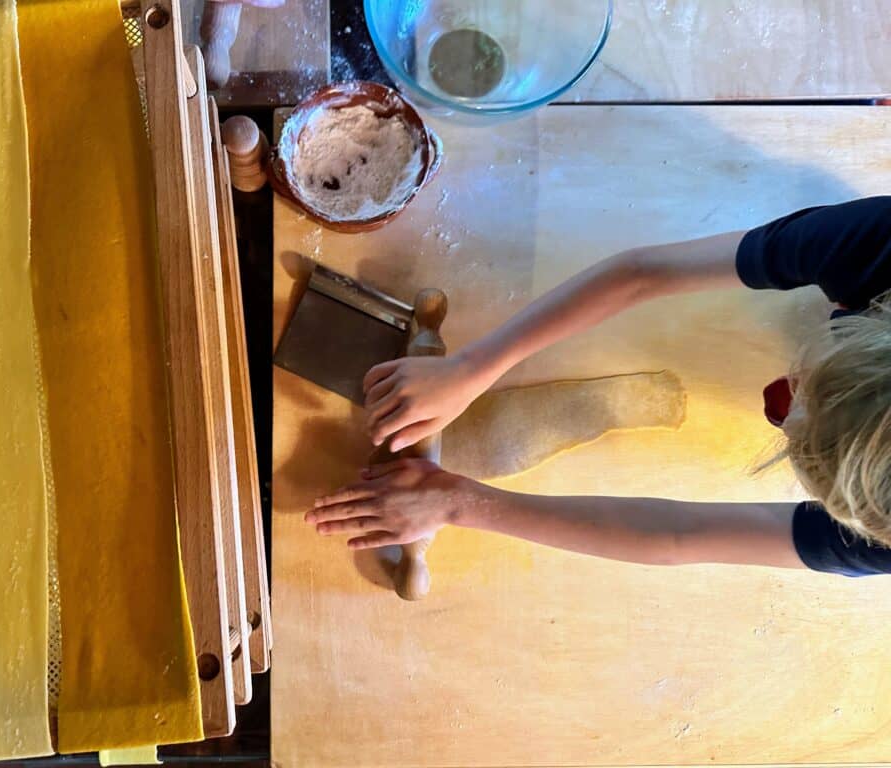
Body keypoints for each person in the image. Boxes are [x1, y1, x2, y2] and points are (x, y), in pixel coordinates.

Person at [306, 197, 891, 576]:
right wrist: (473, 367)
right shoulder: (877, 246)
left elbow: (680, 536)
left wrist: (460, 501)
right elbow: (645, 273)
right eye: (813, 385)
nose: (784, 419)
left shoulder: (880, 522)